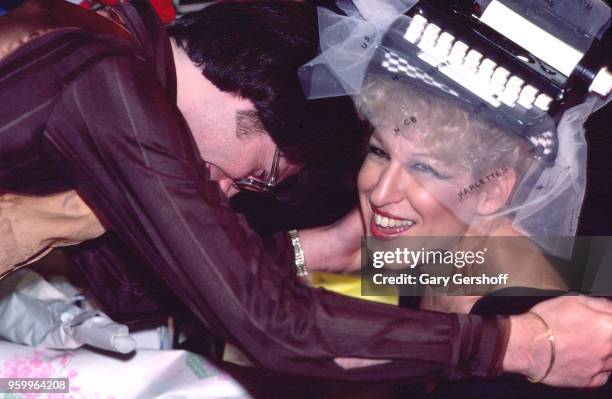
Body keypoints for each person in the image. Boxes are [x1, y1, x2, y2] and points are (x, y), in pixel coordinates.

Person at [0, 0, 611, 387]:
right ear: (252, 104)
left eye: (423, 165)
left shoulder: (455, 266)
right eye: (377, 153)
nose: (229, 191)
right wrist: (526, 345)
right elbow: (269, 325)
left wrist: (327, 250)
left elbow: (129, 291)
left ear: (495, 187)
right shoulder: (105, 82)